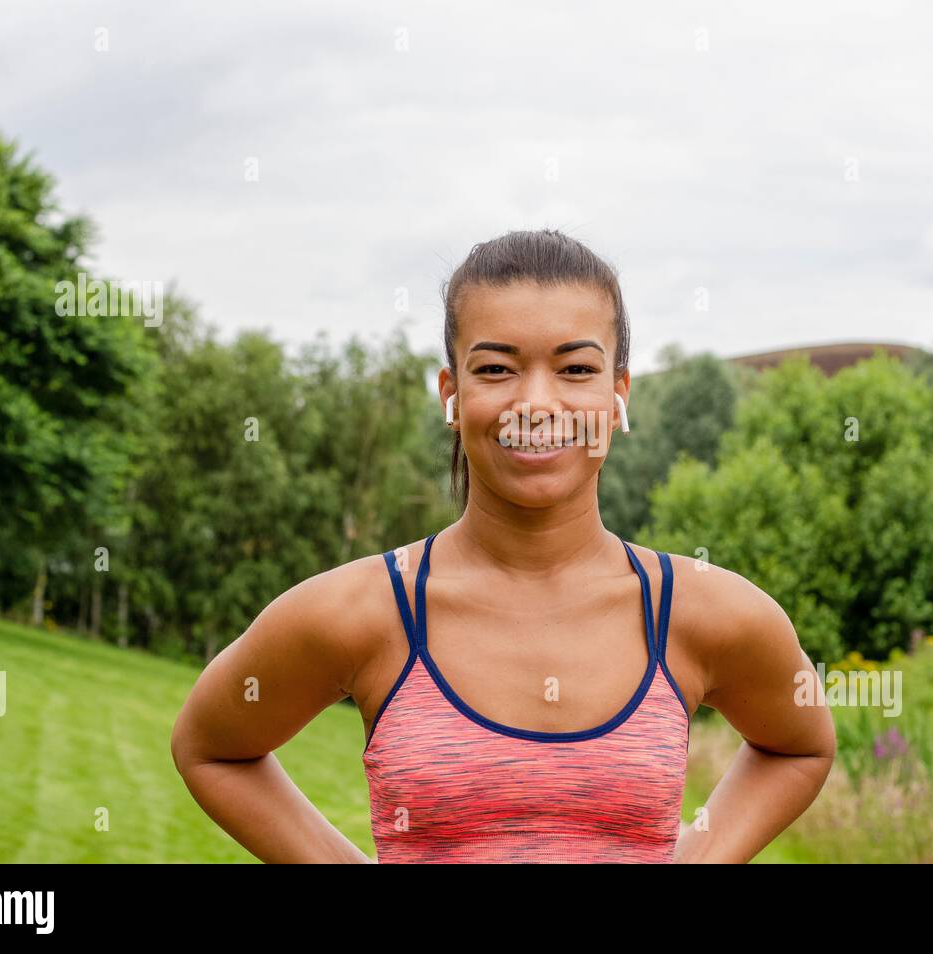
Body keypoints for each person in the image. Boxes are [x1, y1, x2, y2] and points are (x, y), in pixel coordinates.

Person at [170, 229, 835, 863]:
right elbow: (211, 746)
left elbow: (799, 746)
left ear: (617, 396)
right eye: (496, 368)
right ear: (452, 396)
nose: (536, 402)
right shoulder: (365, 611)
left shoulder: (701, 613)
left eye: (576, 368)